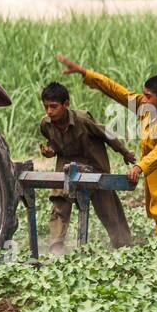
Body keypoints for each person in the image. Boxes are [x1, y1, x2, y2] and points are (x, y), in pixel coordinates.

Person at [56, 54, 157, 238]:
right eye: (143, 94)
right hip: (154, 176)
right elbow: (117, 91)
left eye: (147, 96)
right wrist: (85, 73)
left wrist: (139, 166)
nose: (142, 99)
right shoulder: (146, 107)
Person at [37, 81, 135, 255]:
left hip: (93, 164)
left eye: (53, 106)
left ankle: (124, 246)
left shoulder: (83, 119)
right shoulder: (46, 124)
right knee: (60, 203)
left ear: (66, 104)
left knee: (107, 208)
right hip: (66, 166)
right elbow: (54, 144)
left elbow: (107, 135)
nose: (49, 112)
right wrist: (50, 152)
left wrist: (125, 152)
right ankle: (56, 247)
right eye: (46, 107)